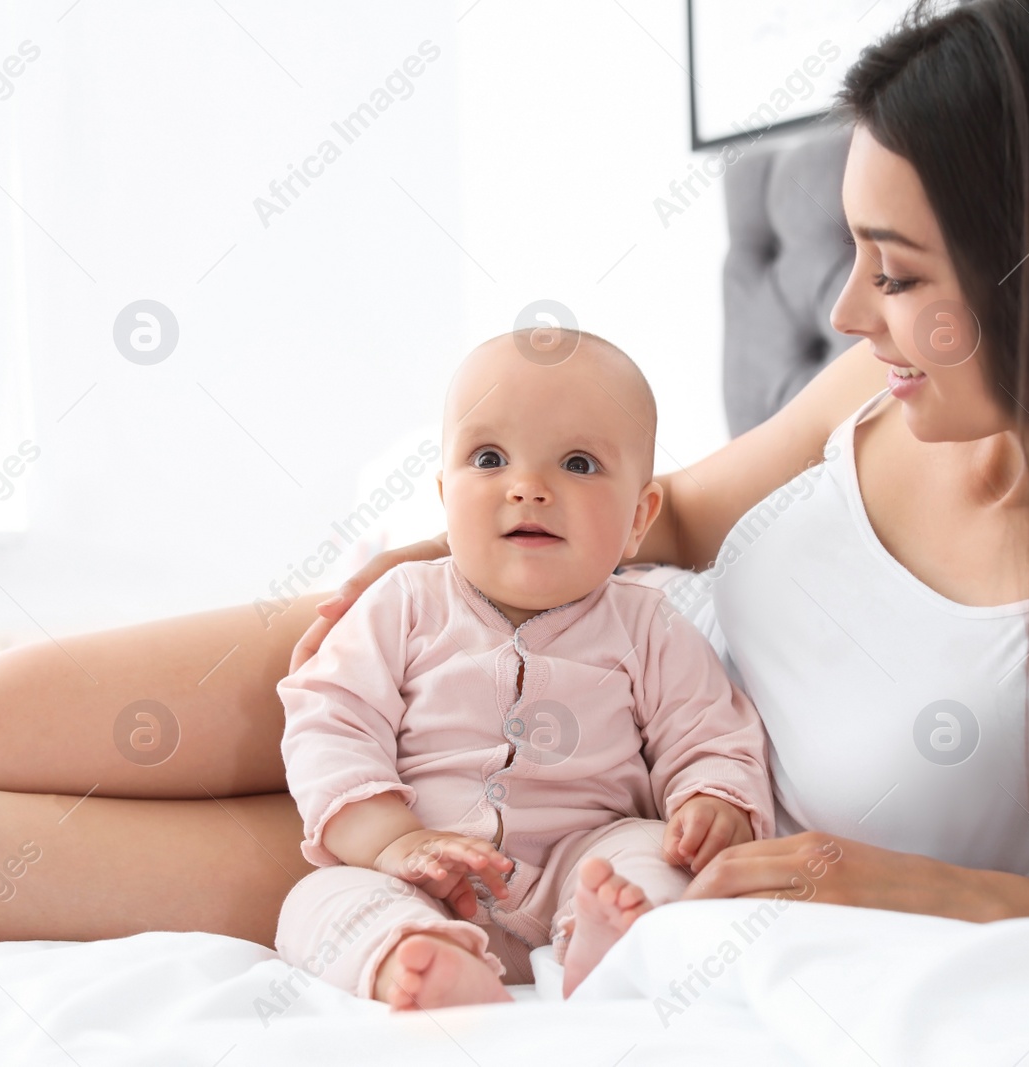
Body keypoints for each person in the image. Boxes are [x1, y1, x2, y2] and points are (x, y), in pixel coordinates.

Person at [0, 0, 1029, 955]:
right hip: (498, 630)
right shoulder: (886, 389)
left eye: (894, 271)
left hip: (569, 838)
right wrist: (452, 546)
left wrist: (961, 899)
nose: (844, 315)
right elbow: (676, 513)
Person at [272, 332, 773, 1009]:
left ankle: (612, 941)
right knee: (318, 899)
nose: (529, 487)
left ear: (638, 518)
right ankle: (418, 955)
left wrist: (713, 801)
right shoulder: (404, 602)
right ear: (445, 494)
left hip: (583, 857)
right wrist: (392, 839)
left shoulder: (648, 625)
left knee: (651, 855)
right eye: (489, 458)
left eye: (577, 462)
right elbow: (329, 719)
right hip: (424, 869)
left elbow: (709, 732)